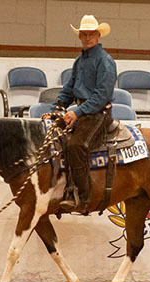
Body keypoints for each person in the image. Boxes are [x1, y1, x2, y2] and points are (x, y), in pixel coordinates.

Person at [52, 15, 117, 212]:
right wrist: (56, 108)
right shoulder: (79, 61)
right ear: (80, 36)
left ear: (98, 36)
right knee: (50, 135)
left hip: (98, 113)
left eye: (91, 34)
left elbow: (101, 94)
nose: (87, 38)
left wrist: (78, 112)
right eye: (84, 34)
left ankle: (83, 196)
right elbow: (69, 88)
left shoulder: (105, 61)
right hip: (82, 112)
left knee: (76, 145)